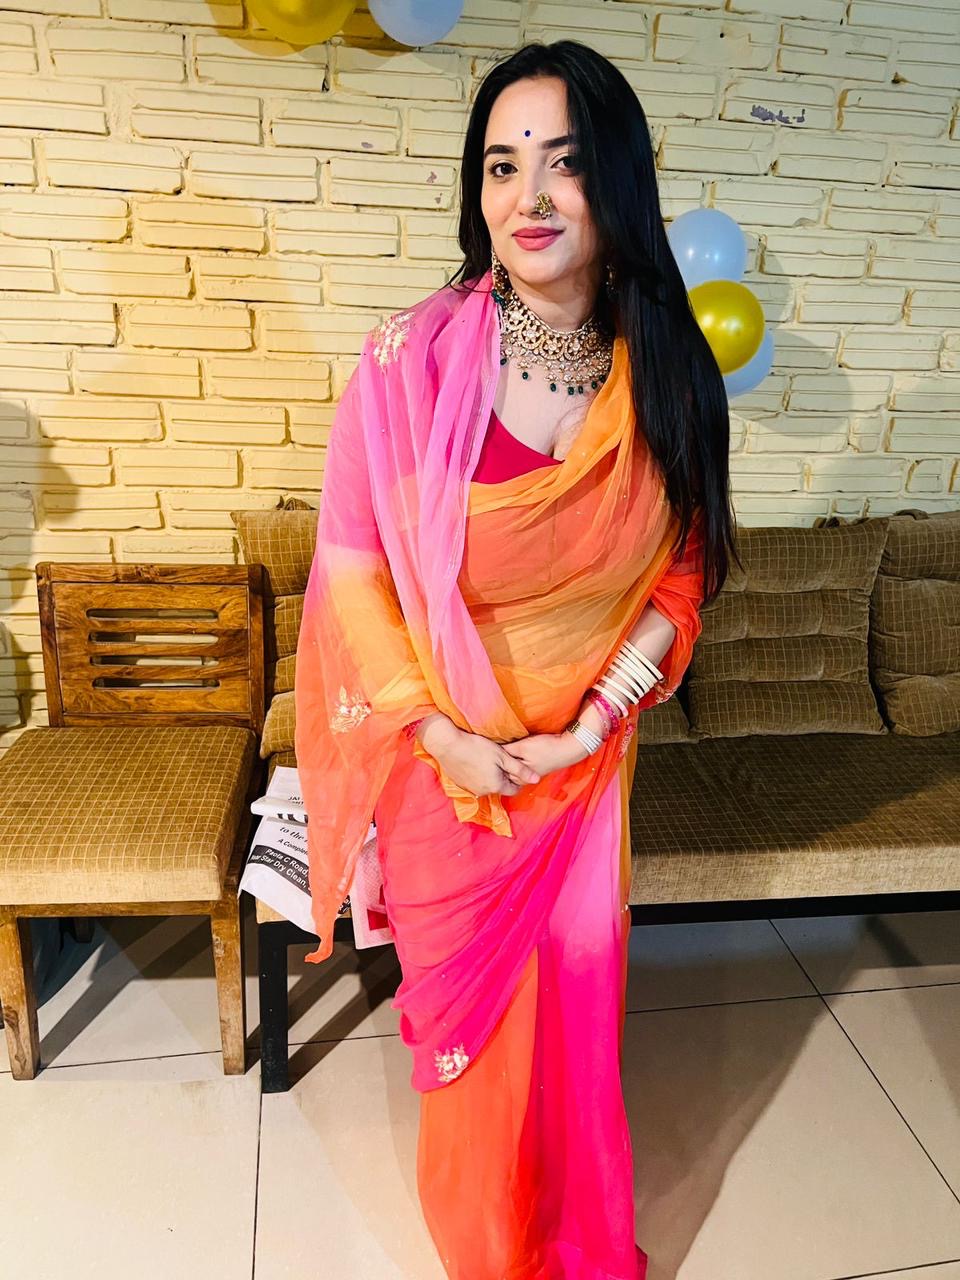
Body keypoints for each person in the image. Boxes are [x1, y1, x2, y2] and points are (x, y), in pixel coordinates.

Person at [294, 38, 739, 1280]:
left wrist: (589, 725)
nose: (529, 195)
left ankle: (579, 1245)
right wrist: (443, 736)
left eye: (564, 162)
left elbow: (682, 579)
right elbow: (353, 572)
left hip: (581, 779)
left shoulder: (668, 377)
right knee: (478, 1058)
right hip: (450, 780)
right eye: (501, 164)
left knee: (575, 1029)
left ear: (618, 183)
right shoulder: (404, 368)